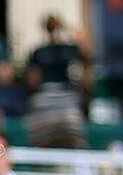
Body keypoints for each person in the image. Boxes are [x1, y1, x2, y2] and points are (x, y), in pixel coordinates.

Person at [24, 14, 89, 149]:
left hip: (58, 97)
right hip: (55, 98)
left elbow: (32, 80)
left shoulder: (61, 50)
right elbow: (33, 79)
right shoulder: (44, 51)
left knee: (67, 139)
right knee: (54, 140)